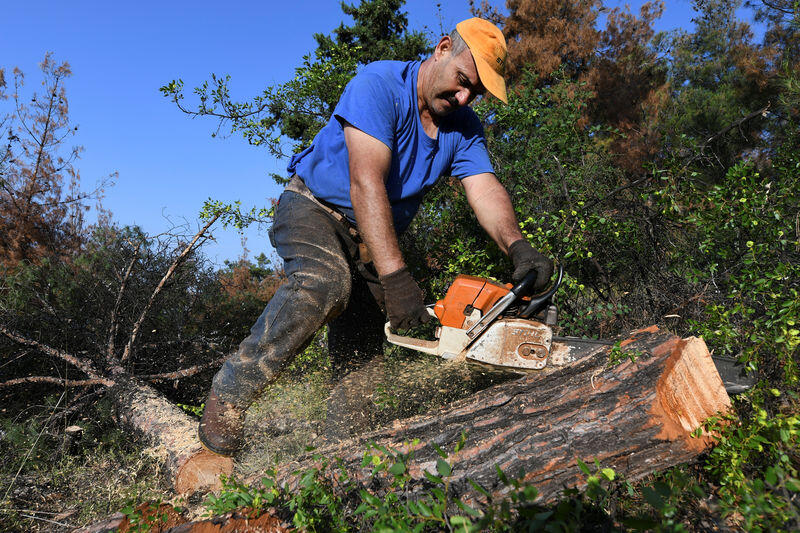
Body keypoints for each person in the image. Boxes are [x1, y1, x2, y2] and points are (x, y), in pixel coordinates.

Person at [198, 17, 554, 456]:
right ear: (442, 48)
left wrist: (518, 246)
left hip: (371, 239)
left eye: (475, 92)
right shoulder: (379, 85)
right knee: (324, 284)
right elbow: (365, 183)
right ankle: (229, 396)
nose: (464, 97)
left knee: (362, 362)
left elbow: (483, 187)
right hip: (314, 210)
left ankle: (337, 459)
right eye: (463, 81)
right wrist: (397, 278)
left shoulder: (463, 127)